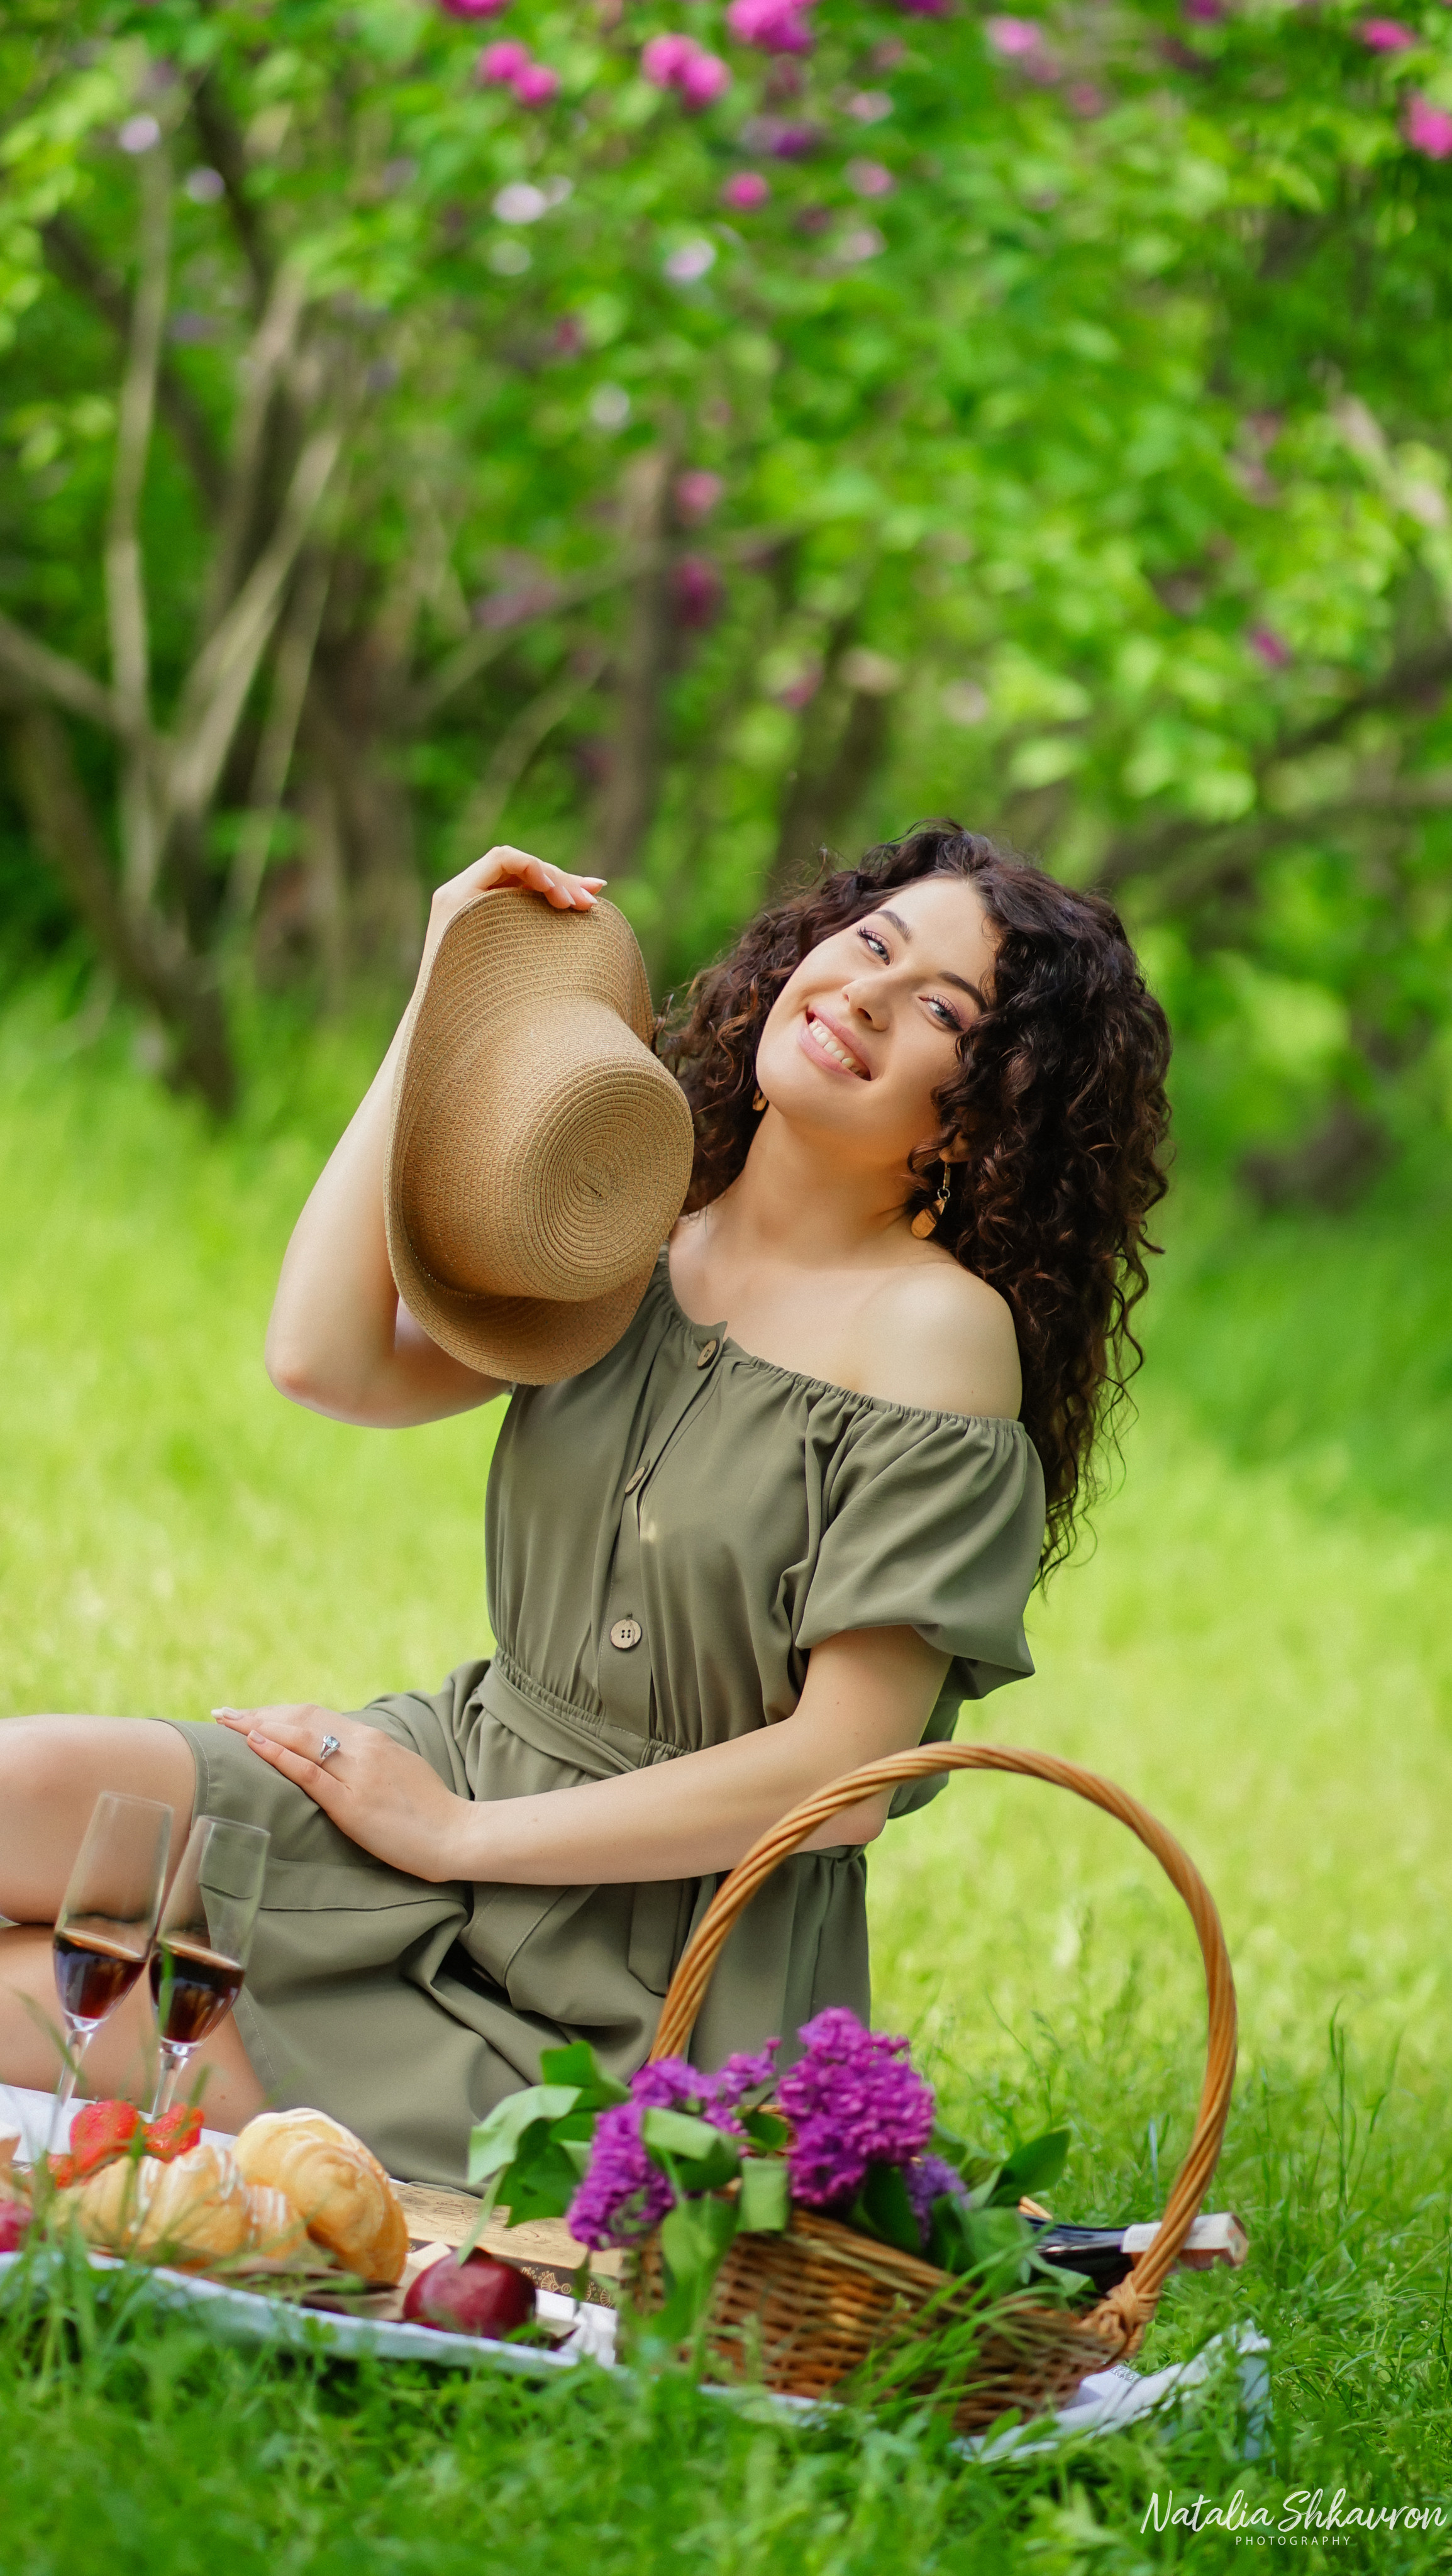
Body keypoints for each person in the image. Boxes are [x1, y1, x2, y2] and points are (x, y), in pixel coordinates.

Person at [0, 824, 1171, 2185]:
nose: (866, 995)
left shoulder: (935, 1338)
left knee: (35, 2009)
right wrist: (443, 997)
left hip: (647, 1966)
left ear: (983, 1113)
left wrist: (458, 1838)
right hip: (455, 1766)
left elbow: (838, 1781)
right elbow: (326, 1357)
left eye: (941, 1012)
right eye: (871, 946)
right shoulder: (635, 1221)